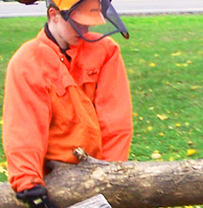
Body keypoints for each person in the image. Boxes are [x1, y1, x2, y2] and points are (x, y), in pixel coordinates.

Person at [3, 0, 132, 207]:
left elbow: (116, 123)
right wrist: (29, 184)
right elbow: (24, 129)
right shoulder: (28, 62)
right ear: (54, 15)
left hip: (98, 172)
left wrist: (110, 175)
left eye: (89, 22)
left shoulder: (106, 52)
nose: (86, 28)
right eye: (79, 23)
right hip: (53, 177)